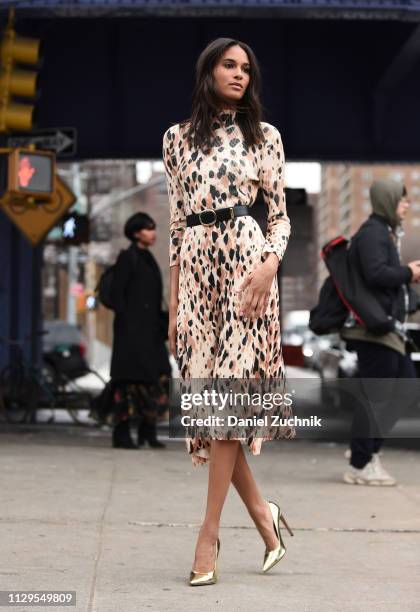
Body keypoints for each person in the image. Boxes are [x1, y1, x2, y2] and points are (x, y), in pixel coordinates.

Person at [162, 38, 295, 586]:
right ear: (209, 71)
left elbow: (281, 217)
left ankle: (208, 534)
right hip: (195, 275)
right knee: (215, 409)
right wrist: (174, 307)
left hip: (247, 273)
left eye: (246, 68)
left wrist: (268, 265)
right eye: (229, 65)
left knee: (227, 406)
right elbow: (174, 226)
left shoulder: (264, 137)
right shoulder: (174, 139)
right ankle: (266, 518)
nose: (240, 75)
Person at [340, 179, 420, 485]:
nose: (407, 205)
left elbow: (386, 281)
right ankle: (361, 463)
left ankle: (365, 451)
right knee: (376, 396)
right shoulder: (373, 234)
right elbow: (376, 275)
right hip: (373, 331)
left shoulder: (383, 233)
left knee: (405, 388)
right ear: (387, 201)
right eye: (402, 200)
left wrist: (406, 281)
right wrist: (408, 272)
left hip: (388, 330)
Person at [109, 212, 172, 449]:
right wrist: (130, 325)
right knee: (128, 384)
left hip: (151, 335)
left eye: (153, 228)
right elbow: (117, 296)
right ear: (136, 232)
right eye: (148, 229)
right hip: (130, 336)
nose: (153, 233)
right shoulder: (128, 258)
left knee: (159, 377)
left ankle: (148, 429)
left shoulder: (148, 259)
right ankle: (122, 433)